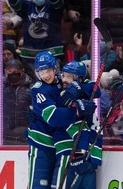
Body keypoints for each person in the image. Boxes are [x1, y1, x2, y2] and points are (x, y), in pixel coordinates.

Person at [26, 51, 96, 188]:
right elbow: (53, 117)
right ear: (36, 73)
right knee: (39, 185)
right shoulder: (38, 90)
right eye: (41, 72)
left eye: (48, 70)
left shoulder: (61, 81)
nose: (45, 75)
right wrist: (77, 111)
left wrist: (79, 87)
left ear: (54, 69)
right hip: (41, 142)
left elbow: (93, 86)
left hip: (57, 142)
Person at [59, 61, 102, 189]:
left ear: (80, 79)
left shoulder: (86, 91)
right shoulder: (64, 94)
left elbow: (96, 89)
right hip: (77, 152)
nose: (64, 80)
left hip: (87, 152)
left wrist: (80, 154)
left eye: (69, 77)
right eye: (63, 75)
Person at [4, 0, 65, 64]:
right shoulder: (28, 5)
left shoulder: (54, 7)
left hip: (51, 53)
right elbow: (14, 3)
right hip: (30, 55)